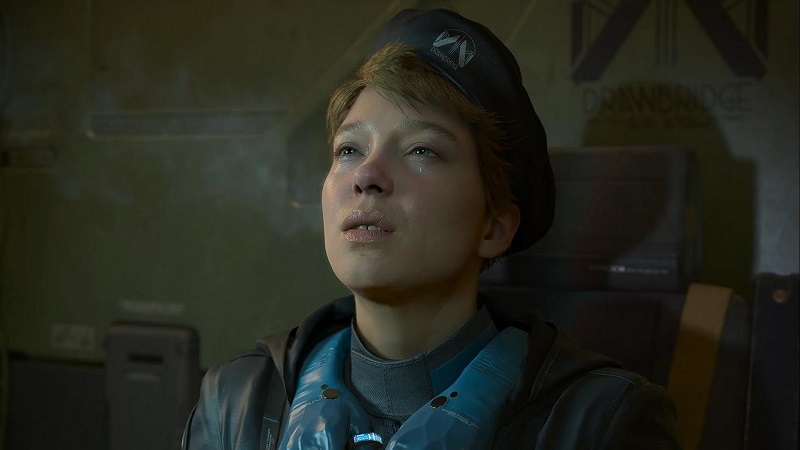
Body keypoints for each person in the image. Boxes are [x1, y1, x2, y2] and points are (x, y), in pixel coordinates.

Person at [182, 8, 680, 449]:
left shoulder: (603, 422)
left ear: (494, 226)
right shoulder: (236, 403)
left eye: (421, 150)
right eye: (349, 149)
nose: (366, 176)